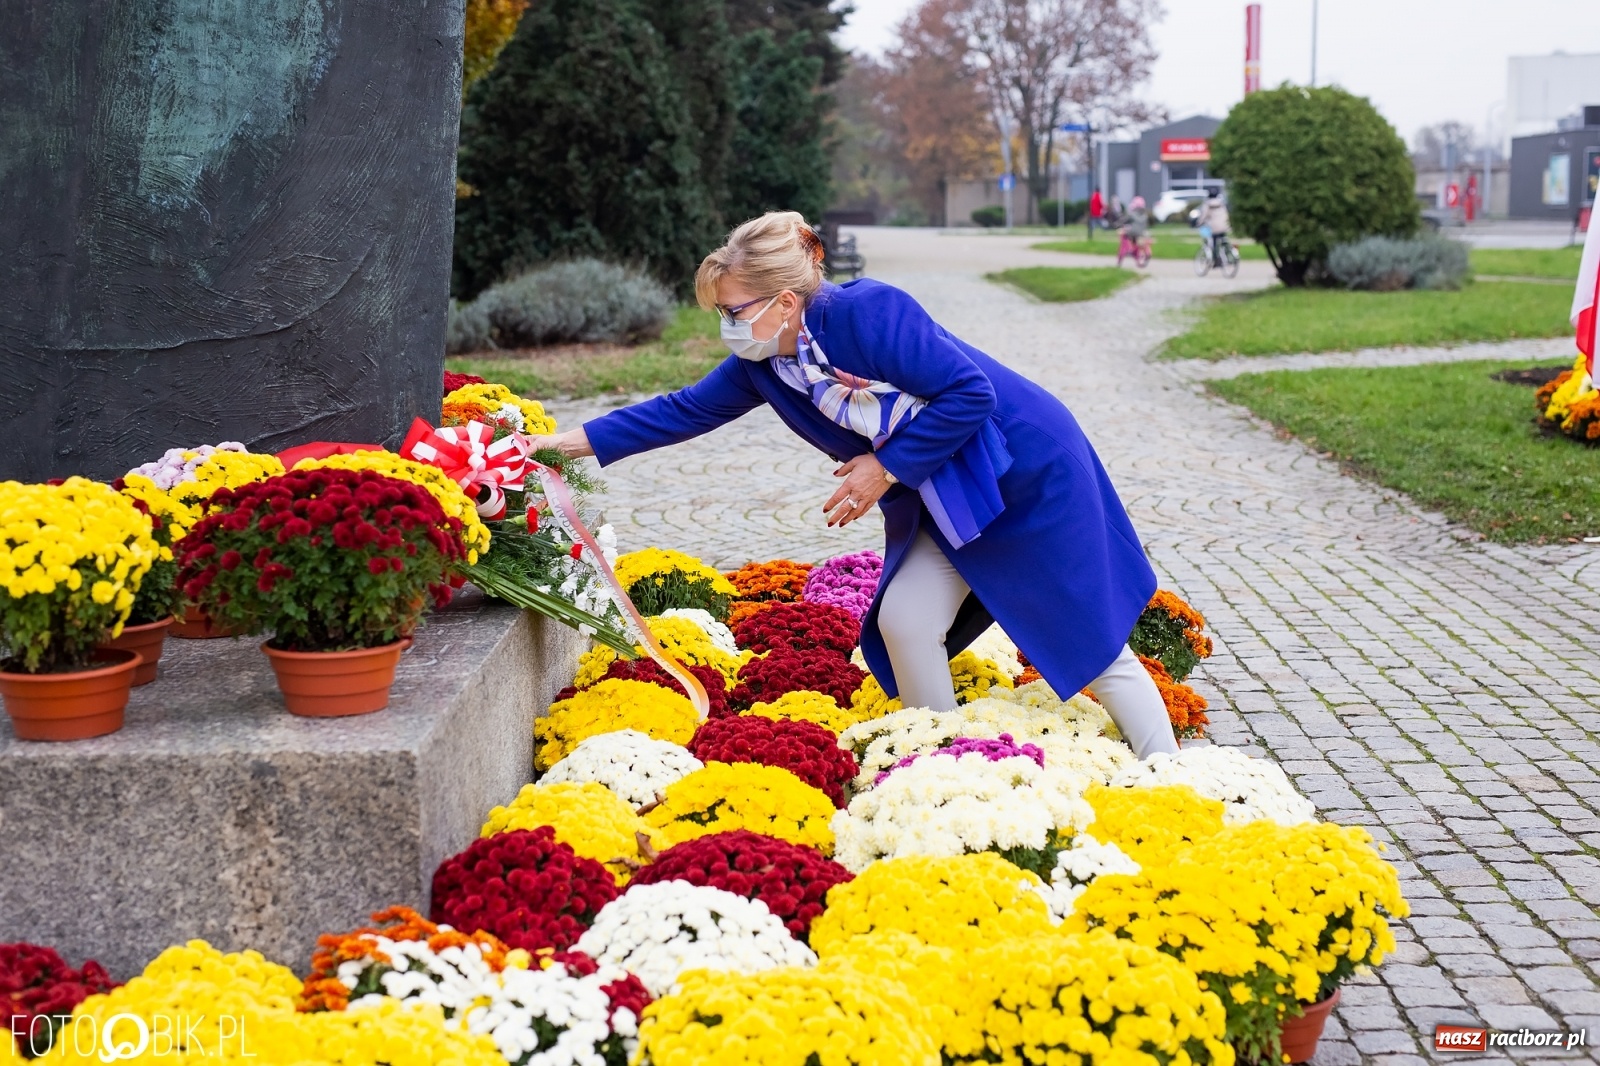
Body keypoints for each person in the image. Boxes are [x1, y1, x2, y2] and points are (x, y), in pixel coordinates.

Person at [532, 211, 1180, 758]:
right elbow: (679, 410)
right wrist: (557, 445)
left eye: (733, 311)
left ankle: (1168, 769)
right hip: (945, 491)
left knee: (1086, 635)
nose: (725, 326)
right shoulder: (764, 363)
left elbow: (969, 393)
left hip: (1027, 467)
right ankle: (943, 767)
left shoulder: (870, 312)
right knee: (905, 620)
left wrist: (885, 465)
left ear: (785, 301)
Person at [1195, 192, 1230, 264]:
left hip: (1215, 227)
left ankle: (1216, 260)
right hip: (1224, 225)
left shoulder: (1208, 204)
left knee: (1214, 242)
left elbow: (1204, 216)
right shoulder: (1221, 204)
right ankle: (1227, 255)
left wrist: (1199, 223)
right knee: (1223, 240)